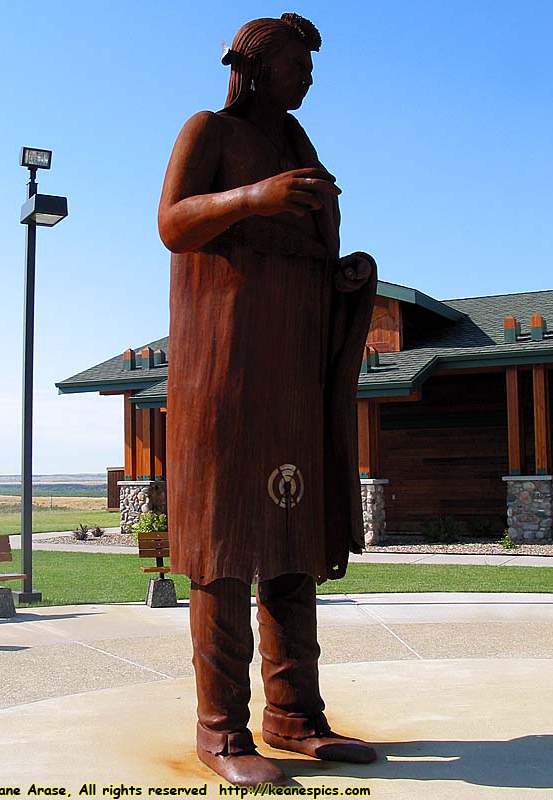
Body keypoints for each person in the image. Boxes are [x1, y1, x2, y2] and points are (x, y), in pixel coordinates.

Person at [158, 13, 378, 787]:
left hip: (289, 376)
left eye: (310, 68)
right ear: (254, 69)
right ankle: (220, 729)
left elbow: (311, 250)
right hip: (225, 377)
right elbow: (172, 223)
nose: (307, 78)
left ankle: (294, 713)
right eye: (295, 65)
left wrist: (342, 274)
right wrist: (255, 196)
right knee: (223, 551)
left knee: (290, 546)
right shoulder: (210, 129)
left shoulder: (301, 148)